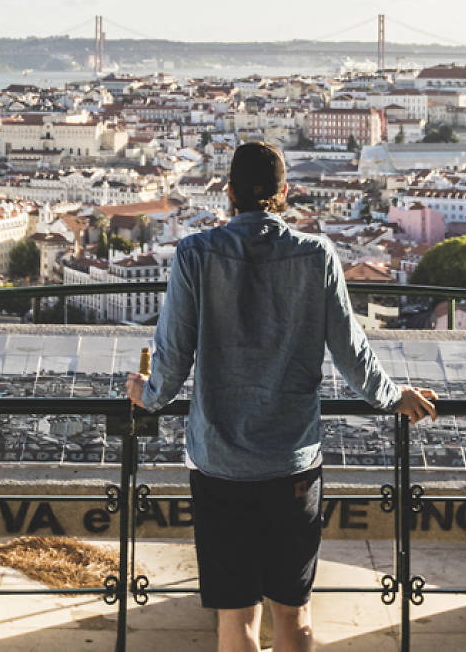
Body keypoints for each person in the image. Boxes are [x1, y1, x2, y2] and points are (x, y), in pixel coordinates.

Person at [127, 141, 436, 652]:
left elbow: (174, 352)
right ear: (284, 193)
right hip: (292, 463)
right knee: (294, 619)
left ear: (227, 193)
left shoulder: (194, 254)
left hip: (219, 464)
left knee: (236, 624)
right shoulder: (316, 256)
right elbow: (350, 351)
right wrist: (392, 397)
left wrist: (149, 394)